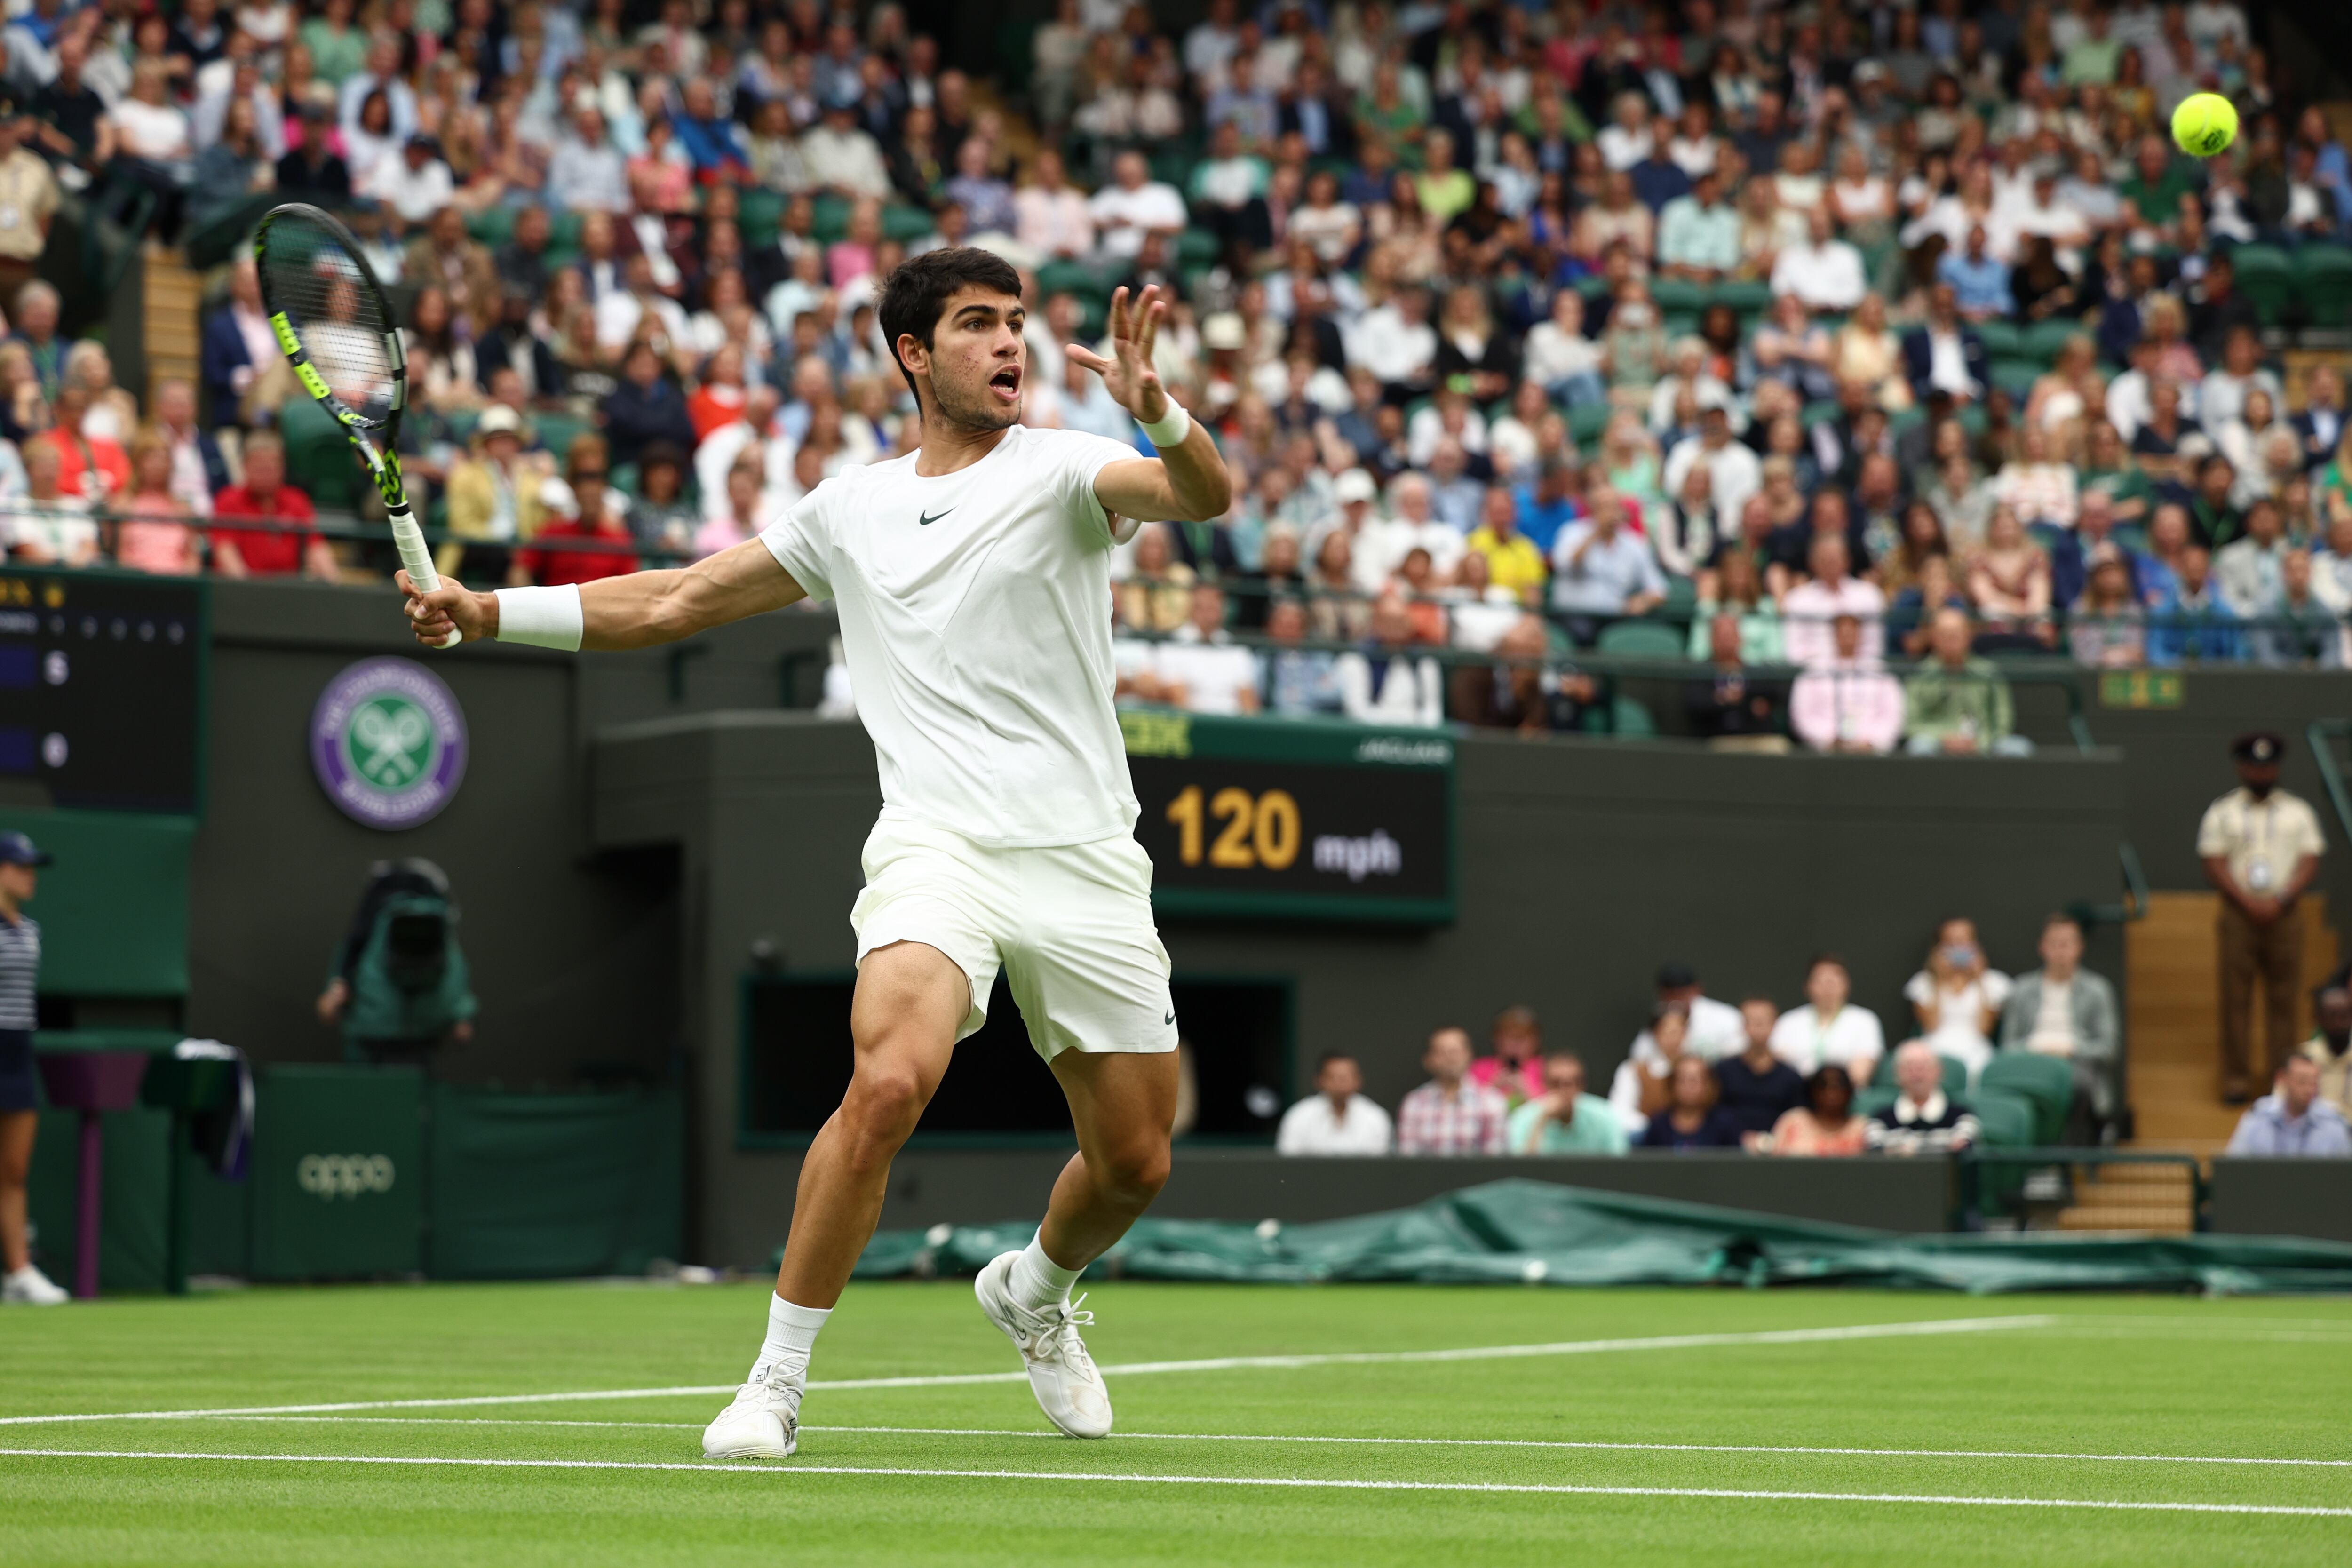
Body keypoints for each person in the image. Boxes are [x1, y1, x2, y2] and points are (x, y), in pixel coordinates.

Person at [402, 250, 1234, 1459]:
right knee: (888, 1081)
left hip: (1085, 853)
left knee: (1135, 1163)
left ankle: (1036, 1291)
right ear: (912, 354)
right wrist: (491, 612)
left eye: (1016, 325)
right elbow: (680, 600)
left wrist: (1158, 407)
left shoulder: (1068, 469)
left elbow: (1203, 496)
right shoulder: (849, 508)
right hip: (936, 844)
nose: (1009, 345)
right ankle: (774, 1384)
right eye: (975, 326)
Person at [2198, 732, 2327, 1103]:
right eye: (2254, 765)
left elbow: (2310, 858)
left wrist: (2282, 897)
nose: (2261, 771)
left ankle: (2281, 1081)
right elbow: (2213, 860)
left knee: (2285, 999)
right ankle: (2236, 1079)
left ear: (2278, 768)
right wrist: (2246, 899)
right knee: (2234, 998)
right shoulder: (2222, 811)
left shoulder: (2298, 812)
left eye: (2268, 765)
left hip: (2285, 913)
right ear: (2241, 768)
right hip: (2238, 912)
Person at [0, 830, 65, 1305]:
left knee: (15, 1169)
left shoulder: (32, 931)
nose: (29, 876)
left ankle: (19, 1273)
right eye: (20, 866)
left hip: (19, 1054)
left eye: (31, 868)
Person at [1998, 913, 2122, 1142]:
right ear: (2042, 948)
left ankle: (2065, 1158)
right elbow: (2008, 1045)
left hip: (2076, 1064)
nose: (2061, 951)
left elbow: (2108, 1048)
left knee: (2076, 1085)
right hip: (2031, 1062)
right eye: (2055, 944)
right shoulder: (2022, 989)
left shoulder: (2098, 990)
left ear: (2080, 947)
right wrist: (2034, 1049)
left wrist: (2071, 1049)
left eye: (2067, 944)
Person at [1904, 608, 2028, 757]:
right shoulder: (1921, 676)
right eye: (1944, 635)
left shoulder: (1988, 673)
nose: (1950, 640)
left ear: (1968, 635)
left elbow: (2003, 719)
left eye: (1956, 634)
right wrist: (1944, 738)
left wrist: (1980, 742)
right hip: (1937, 741)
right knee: (1919, 746)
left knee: (2018, 748)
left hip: (1983, 740)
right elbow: (1911, 723)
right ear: (1933, 637)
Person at [1902, 916, 2010, 1084]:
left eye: (1964, 940)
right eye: (1952, 942)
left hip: (1976, 1053)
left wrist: (1980, 980)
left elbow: (1985, 1029)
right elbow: (1931, 1025)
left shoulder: (1992, 983)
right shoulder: (1924, 983)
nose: (1959, 947)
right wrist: (1939, 980)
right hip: (1934, 1050)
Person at [1769, 954, 1885, 1086]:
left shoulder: (1865, 1021)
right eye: (1820, 980)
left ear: (1847, 984)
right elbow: (1777, 1068)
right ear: (1807, 986)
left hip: (1846, 1098)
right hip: (1795, 1097)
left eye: (1833, 980)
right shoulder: (1787, 1022)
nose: (1827, 986)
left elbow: (1860, 1075)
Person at [1392, 1027, 1508, 1156]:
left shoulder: (1491, 1101)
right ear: (1428, 1060)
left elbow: (1494, 1160)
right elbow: (1407, 1160)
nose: (1450, 1059)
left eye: (1455, 1051)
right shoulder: (1414, 1103)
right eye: (1442, 1052)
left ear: (1469, 1055)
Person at [1866, 1041, 1982, 1155]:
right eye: (1910, 1068)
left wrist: (1902, 1150)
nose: (1917, 1075)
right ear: (1897, 1074)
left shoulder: (1962, 1116)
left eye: (1924, 1067)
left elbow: (1964, 1148)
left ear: (1938, 1071)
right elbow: (1876, 1152)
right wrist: (1944, 1148)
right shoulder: (1880, 1119)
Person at [2223, 1056, 2352, 1157]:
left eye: (2313, 1084)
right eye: (2302, 1082)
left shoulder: (2333, 1125)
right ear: (2282, 1078)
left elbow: (2345, 1177)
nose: (2308, 1090)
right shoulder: (2257, 1119)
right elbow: (2235, 1168)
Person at [1715, 996, 1808, 1136]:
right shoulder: (1723, 1072)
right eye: (1752, 1021)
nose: (1758, 1026)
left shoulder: (1791, 1077)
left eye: (1763, 1021)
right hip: (1730, 1148)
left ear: (1775, 1025)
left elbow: (1798, 1120)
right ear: (1743, 1026)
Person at [1507, 1052, 1629, 1155]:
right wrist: (1542, 1120)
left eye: (1571, 1083)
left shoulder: (1604, 1116)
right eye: (1556, 1083)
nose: (1564, 1091)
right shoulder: (1524, 1117)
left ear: (1582, 1086)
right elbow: (1522, 1168)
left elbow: (1620, 1163)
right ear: (1545, 1084)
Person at [1274, 1052, 1394, 1155]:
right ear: (1319, 1080)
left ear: (1359, 1080)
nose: (1341, 1083)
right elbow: (1287, 1160)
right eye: (1334, 1077)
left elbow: (1380, 1165)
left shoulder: (1376, 1116)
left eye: (1346, 1077)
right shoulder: (1299, 1115)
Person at [1752, 1065, 1870, 1156]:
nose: (1831, 1092)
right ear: (1813, 1091)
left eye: (1839, 1085)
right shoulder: (1793, 1121)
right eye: (1823, 1085)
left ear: (1849, 1091)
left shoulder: (1863, 1126)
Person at [1638, 1055, 1744, 1150]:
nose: (1688, 1087)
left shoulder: (1726, 1123)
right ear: (1672, 1085)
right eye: (1682, 1080)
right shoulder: (1659, 1125)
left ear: (1708, 1085)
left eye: (1694, 1081)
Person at [1470, 1004, 1546, 1106]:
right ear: (1496, 1039)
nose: (1515, 1043)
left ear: (1535, 1041)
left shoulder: (1546, 1069)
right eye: (1509, 1037)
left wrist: (1527, 1092)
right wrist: (1492, 1087)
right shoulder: (1479, 1069)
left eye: (1522, 1038)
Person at [2298, 985, 2352, 1120]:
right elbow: (2282, 1108)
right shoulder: (2302, 1058)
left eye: (2344, 1015)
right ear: (2319, 1019)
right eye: (2332, 1016)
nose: (2339, 1022)